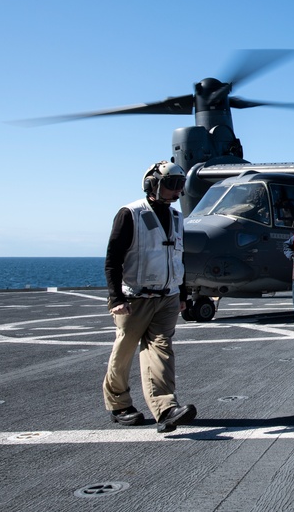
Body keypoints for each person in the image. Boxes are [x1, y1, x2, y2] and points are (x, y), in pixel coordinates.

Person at [103, 161, 197, 433]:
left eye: (180, 185)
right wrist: (115, 298)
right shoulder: (130, 214)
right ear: (153, 184)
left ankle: (166, 409)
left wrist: (182, 293)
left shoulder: (178, 217)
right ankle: (118, 404)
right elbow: (113, 260)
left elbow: (177, 257)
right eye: (172, 184)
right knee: (124, 350)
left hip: (167, 298)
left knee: (161, 349)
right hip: (134, 298)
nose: (177, 190)